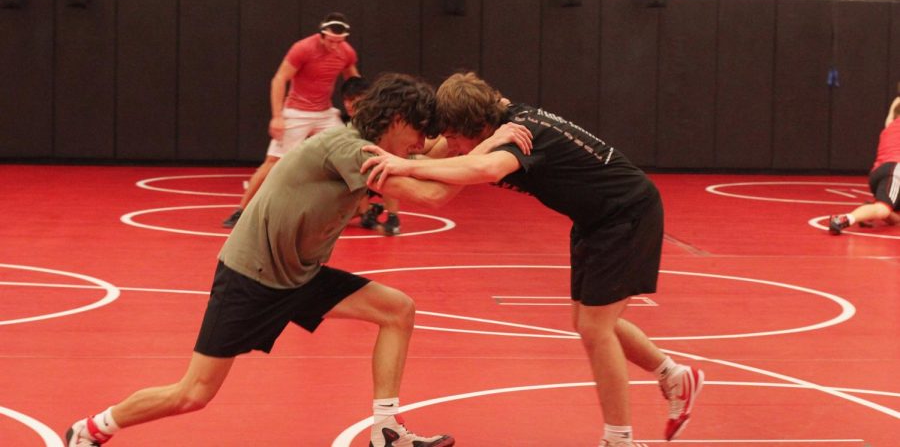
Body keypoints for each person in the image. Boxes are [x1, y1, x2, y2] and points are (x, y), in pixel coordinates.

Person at [66, 74, 469, 447]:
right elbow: (431, 193)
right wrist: (494, 151)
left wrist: (472, 137)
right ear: (397, 119)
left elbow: (432, 154)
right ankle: (90, 429)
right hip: (252, 276)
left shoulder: (369, 146)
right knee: (193, 394)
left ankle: (386, 431)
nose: (420, 144)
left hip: (299, 275)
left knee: (398, 310)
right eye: (418, 131)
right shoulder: (347, 149)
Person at [362, 72, 704, 447]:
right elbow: (443, 150)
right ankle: (672, 375)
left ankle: (619, 439)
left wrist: (405, 166)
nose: (453, 146)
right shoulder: (491, 122)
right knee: (588, 320)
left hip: (626, 212)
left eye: (456, 138)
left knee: (595, 327)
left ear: (478, 126)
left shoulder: (521, 135)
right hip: (594, 218)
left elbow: (484, 169)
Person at [222, 12, 361, 228]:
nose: (335, 46)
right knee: (274, 161)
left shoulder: (346, 52)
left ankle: (366, 211)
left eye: (340, 42)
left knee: (350, 155)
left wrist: (360, 108)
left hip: (325, 113)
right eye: (332, 41)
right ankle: (241, 210)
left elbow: (354, 82)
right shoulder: (303, 48)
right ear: (322, 35)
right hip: (297, 111)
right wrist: (278, 116)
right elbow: (279, 79)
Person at [828, 95, 900, 234]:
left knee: (894, 218)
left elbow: (893, 111)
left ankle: (868, 210)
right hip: (895, 171)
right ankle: (843, 219)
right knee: (882, 209)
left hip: (878, 174)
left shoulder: (889, 127)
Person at [341, 76, 403, 235]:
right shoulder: (348, 123)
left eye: (353, 99)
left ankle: (393, 218)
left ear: (366, 98)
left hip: (385, 164)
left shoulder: (378, 119)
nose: (349, 104)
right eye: (346, 100)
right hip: (361, 173)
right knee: (336, 215)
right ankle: (367, 212)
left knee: (386, 171)